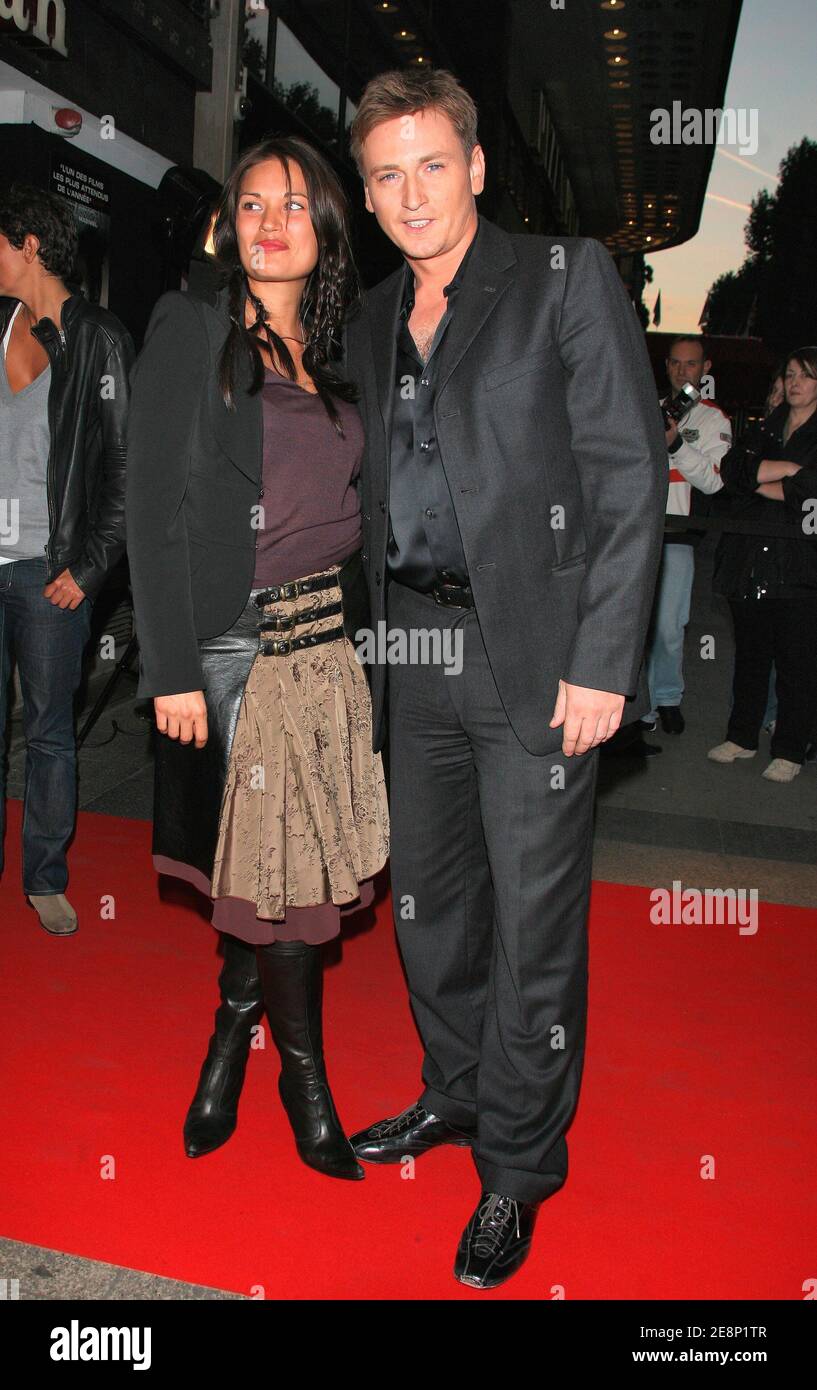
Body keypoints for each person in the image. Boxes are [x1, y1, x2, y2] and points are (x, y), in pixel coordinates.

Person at [343, 70, 667, 1288]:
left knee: (535, 930)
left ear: (475, 167)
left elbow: (629, 475)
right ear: (369, 194)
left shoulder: (560, 277)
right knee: (428, 909)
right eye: (386, 173)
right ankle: (456, 1093)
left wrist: (602, 663)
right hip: (412, 655)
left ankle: (520, 1167)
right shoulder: (372, 317)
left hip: (534, 662)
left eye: (432, 163)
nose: (411, 192)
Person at [125, 136, 389, 1180]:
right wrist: (172, 667)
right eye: (250, 204)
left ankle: (233, 1031)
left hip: (328, 647)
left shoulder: (343, 350)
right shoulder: (192, 330)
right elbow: (150, 505)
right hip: (236, 649)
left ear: (325, 224)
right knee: (282, 890)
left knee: (277, 873)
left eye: (293, 204)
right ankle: (306, 1081)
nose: (271, 221)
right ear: (228, 226)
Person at [0, 183, 133, 936]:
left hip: (47, 571)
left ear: (29, 246)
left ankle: (45, 875)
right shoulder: (0, 325)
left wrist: (87, 571)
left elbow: (124, 472)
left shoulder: (100, 338)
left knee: (49, 732)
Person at [708, 347, 817, 782]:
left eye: (805, 376)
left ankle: (790, 747)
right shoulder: (764, 427)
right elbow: (732, 472)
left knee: (797, 663)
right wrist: (785, 471)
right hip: (749, 561)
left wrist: (763, 480)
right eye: (789, 374)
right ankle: (743, 736)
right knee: (750, 657)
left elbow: (807, 492)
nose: (794, 383)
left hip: (800, 568)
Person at [642, 336, 731, 739]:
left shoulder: (715, 420)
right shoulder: (649, 410)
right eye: (676, 363)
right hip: (639, 532)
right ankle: (638, 710)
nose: (683, 371)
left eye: (691, 364)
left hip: (677, 533)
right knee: (634, 626)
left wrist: (675, 442)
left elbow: (713, 483)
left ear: (705, 368)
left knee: (668, 626)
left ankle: (667, 699)